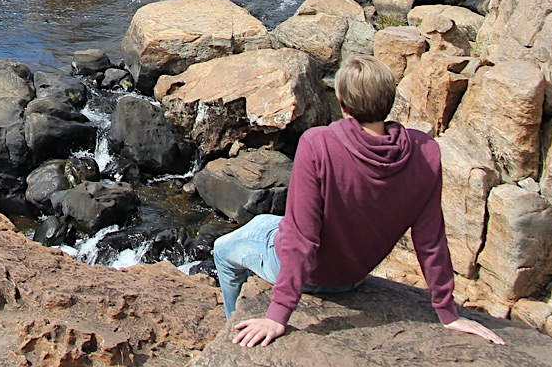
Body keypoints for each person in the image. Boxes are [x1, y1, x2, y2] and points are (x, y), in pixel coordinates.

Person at [213, 55, 505, 348]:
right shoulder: (425, 151)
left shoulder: (318, 143)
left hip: (313, 274)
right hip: (353, 275)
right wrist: (447, 312)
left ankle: (232, 328)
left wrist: (277, 316)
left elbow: (303, 238)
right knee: (264, 222)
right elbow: (431, 241)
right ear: (389, 101)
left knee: (222, 249)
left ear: (343, 104)